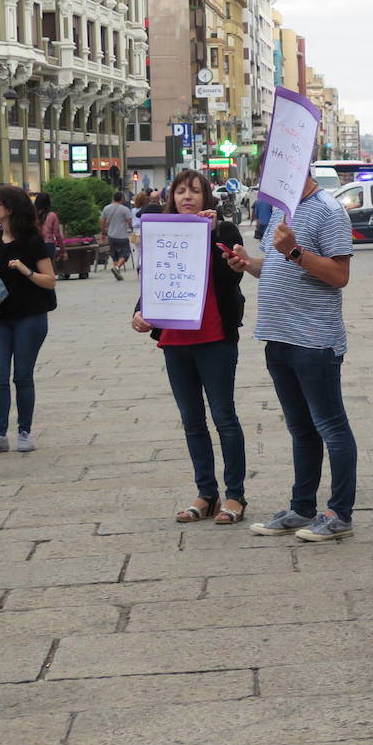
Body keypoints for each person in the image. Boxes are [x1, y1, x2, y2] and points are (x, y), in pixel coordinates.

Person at [224, 173, 359, 543]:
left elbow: (339, 274)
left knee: (331, 427)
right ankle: (302, 507)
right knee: (301, 428)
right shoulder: (283, 211)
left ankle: (339, 513)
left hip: (314, 341)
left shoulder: (329, 210)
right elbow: (277, 266)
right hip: (279, 338)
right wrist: (248, 263)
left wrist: (296, 251)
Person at [131, 171, 247, 523]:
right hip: (176, 341)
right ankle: (205, 493)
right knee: (192, 421)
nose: (187, 197)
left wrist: (213, 235)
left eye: (195, 191)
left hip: (215, 338)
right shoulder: (162, 232)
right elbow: (156, 277)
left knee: (224, 417)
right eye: (180, 191)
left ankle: (235, 496)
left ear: (207, 196)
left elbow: (233, 276)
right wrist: (140, 311)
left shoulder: (223, 230)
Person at [0, 185, 57, 455]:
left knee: (22, 377)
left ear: (9, 208)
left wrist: (26, 271)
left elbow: (50, 281)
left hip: (30, 318)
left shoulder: (32, 241)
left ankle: (24, 431)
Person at [99, 190, 134, 280]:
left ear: (113, 198)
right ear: (122, 198)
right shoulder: (125, 209)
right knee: (125, 253)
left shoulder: (106, 208)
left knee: (114, 255)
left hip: (111, 236)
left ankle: (117, 271)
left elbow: (102, 221)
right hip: (122, 235)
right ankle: (117, 268)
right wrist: (132, 229)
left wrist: (103, 233)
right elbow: (130, 222)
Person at [34, 193, 65, 272]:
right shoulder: (52, 216)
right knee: (47, 270)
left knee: (37, 270)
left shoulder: (33, 216)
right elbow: (57, 234)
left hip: (36, 245)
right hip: (49, 245)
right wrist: (62, 250)